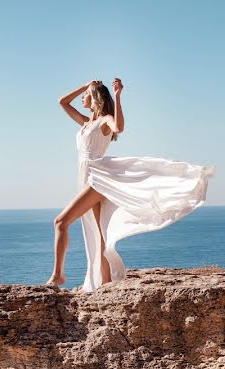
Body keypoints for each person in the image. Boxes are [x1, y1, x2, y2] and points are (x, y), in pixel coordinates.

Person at [45, 78, 215, 292]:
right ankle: (104, 285)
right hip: (85, 178)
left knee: (60, 222)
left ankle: (58, 275)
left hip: (97, 178)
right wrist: (86, 85)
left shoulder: (105, 120)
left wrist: (116, 96)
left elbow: (120, 127)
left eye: (86, 94)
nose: (82, 97)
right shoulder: (86, 122)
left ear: (96, 97)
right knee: (99, 235)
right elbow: (62, 102)